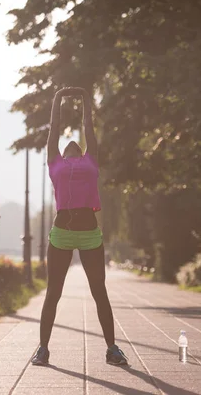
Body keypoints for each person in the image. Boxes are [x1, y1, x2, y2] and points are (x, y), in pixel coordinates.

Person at [31, 87, 128, 366]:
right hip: (61, 233)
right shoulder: (55, 164)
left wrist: (86, 98)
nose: (72, 143)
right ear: (60, 154)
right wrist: (57, 99)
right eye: (66, 145)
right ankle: (43, 348)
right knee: (54, 292)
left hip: (89, 234)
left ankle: (112, 349)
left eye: (77, 144)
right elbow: (54, 130)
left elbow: (88, 126)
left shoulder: (90, 160)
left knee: (100, 291)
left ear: (84, 150)